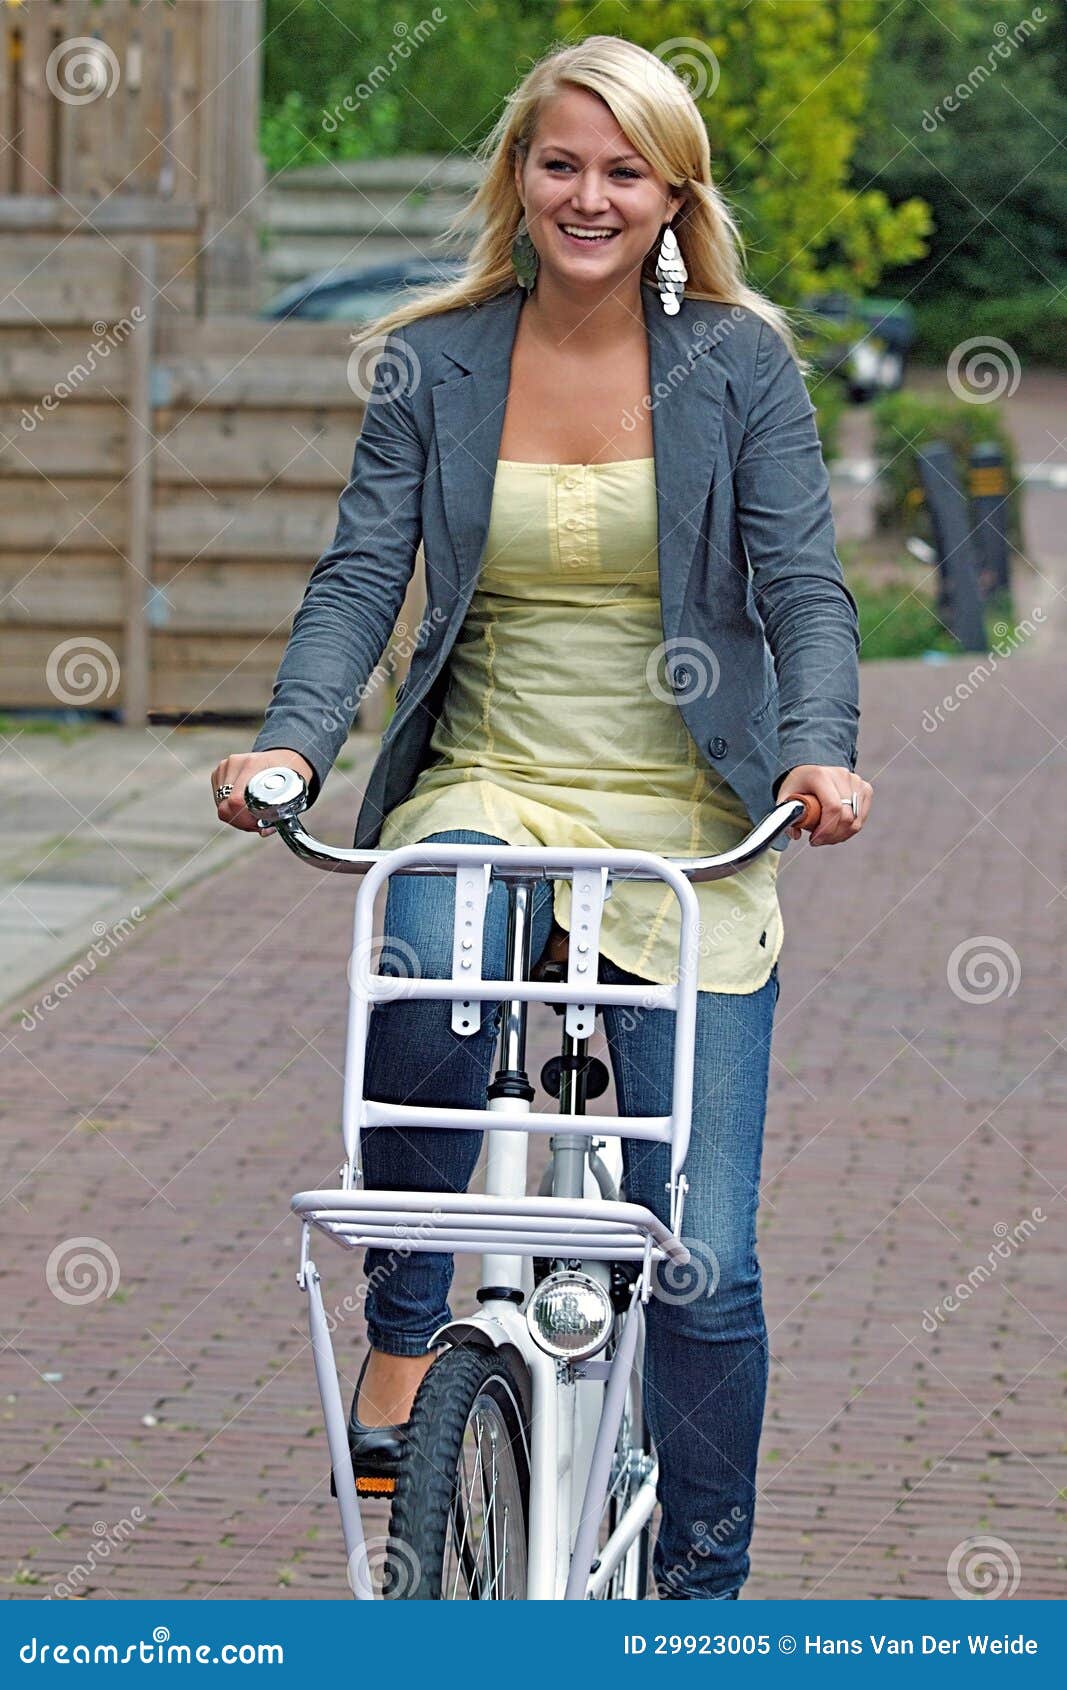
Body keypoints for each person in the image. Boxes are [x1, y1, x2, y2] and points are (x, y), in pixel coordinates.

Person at [211, 35, 872, 1599]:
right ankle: (404, 1319)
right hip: (493, 780)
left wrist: (818, 750)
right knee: (423, 947)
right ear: (517, 172)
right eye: (558, 161)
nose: (587, 194)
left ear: (669, 195)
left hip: (686, 809)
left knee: (702, 1256)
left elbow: (805, 590)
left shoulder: (739, 362)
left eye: (623, 170)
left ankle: (702, 1593)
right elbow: (364, 576)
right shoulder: (437, 361)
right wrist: (293, 746)